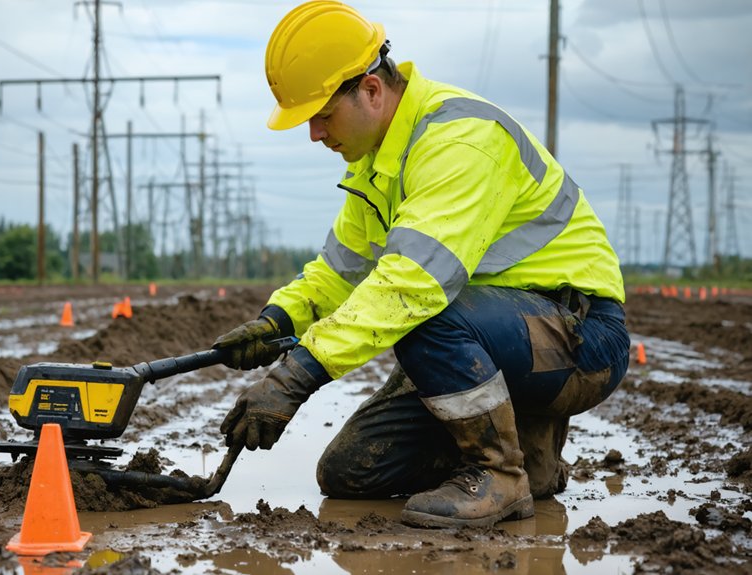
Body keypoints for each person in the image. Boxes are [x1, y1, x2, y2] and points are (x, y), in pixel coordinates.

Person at [212, 0, 630, 530]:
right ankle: (531, 456)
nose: (315, 135)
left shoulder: (459, 140)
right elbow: (340, 271)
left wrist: (296, 377)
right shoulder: (377, 164)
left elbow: (412, 284)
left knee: (424, 313)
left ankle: (500, 476)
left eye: (321, 115)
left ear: (370, 88)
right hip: (491, 331)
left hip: (576, 337)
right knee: (349, 472)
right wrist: (278, 321)